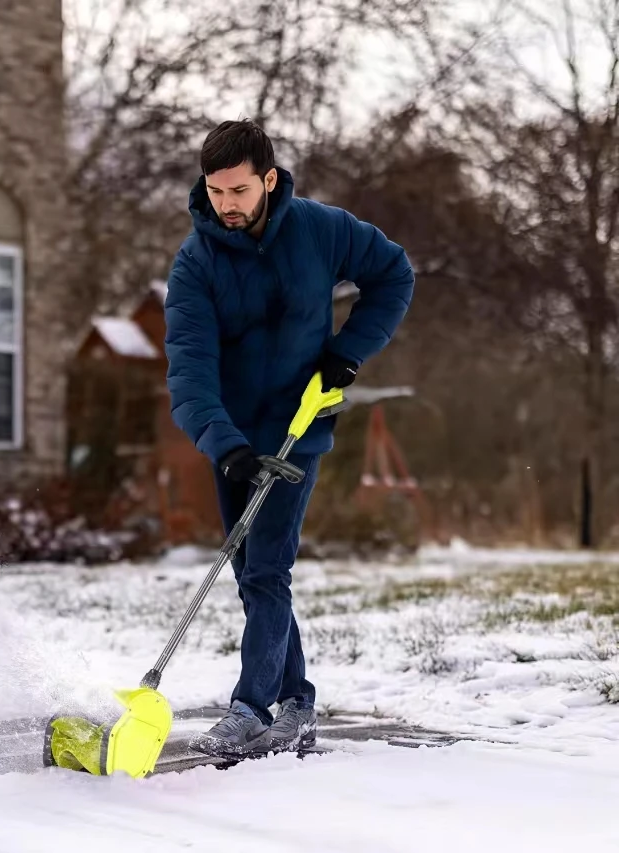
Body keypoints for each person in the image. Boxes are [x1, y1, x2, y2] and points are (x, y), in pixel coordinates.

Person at [163, 119, 414, 756]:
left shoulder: (321, 230)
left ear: (269, 180)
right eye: (216, 192)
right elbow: (189, 371)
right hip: (236, 438)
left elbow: (393, 275)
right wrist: (225, 444)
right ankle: (297, 702)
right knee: (252, 571)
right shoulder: (196, 264)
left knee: (268, 569)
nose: (227, 205)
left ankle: (250, 707)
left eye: (240, 190)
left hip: (300, 423)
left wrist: (347, 354)